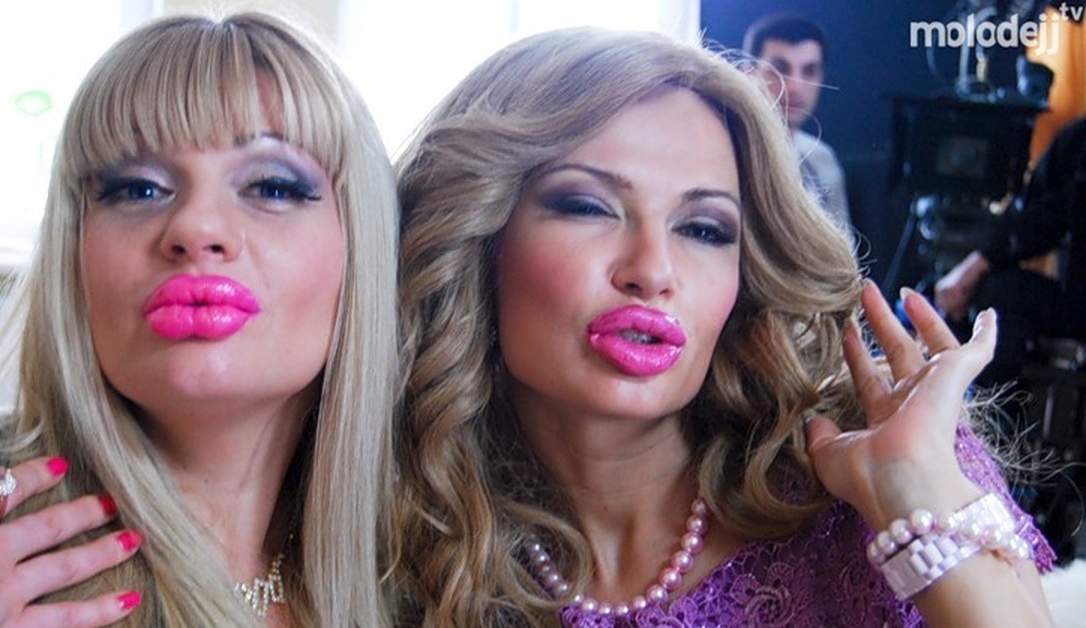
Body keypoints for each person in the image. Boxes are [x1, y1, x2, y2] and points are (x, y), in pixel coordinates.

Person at [392, 27, 1054, 627]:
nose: (653, 271)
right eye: (588, 206)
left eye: (704, 229)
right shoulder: (407, 523)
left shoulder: (881, 470)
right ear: (476, 238)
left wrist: (915, 489)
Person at [0, 11, 399, 627]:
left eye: (271, 186)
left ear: (360, 247)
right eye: (138, 189)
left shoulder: (428, 575)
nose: (195, 228)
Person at [935, 115, 1086, 384]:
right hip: (1078, 304)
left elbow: (1062, 210)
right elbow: (1033, 215)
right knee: (994, 295)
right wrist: (979, 262)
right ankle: (992, 405)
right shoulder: (1078, 140)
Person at [743, 12, 852, 233]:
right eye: (779, 69)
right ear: (748, 75)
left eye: (809, 71)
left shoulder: (822, 160)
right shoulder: (724, 155)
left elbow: (843, 252)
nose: (795, 86)